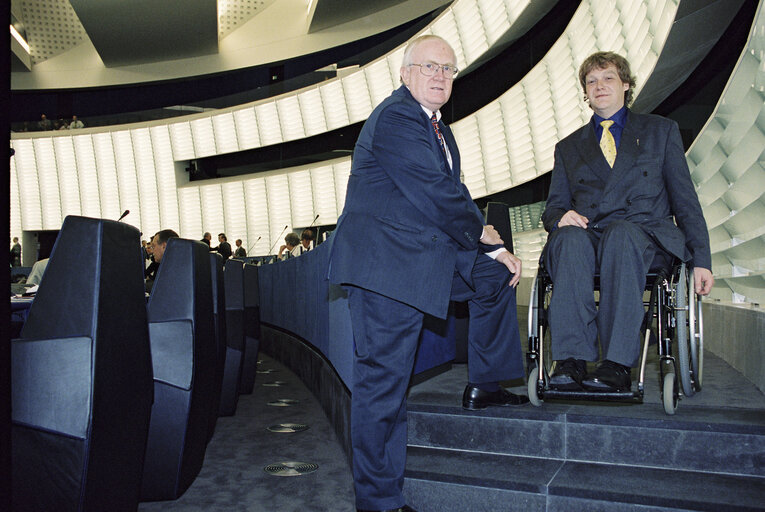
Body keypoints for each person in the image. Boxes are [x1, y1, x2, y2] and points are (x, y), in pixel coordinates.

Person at [327, 35, 527, 512]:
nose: (440, 77)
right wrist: (485, 235)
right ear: (406, 73)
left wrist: (492, 256)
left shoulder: (436, 125)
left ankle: (487, 381)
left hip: (425, 254)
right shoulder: (397, 117)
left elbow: (441, 200)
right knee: (384, 387)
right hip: (388, 270)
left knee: (495, 278)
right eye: (430, 67)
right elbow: (436, 193)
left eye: (448, 70)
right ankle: (378, 501)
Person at [541, 51, 713, 393]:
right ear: (585, 93)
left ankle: (616, 363)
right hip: (591, 236)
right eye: (591, 81)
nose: (599, 86)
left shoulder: (660, 131)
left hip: (645, 237)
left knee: (621, 235)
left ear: (626, 85)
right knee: (569, 239)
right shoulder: (568, 147)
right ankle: (571, 358)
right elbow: (552, 208)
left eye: (607, 78)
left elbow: (685, 200)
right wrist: (561, 218)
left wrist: (701, 260)